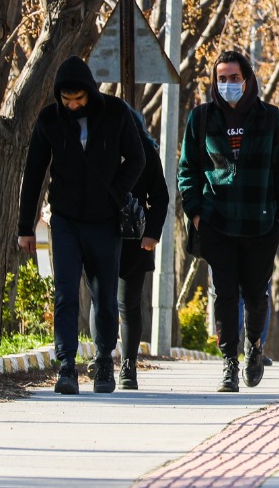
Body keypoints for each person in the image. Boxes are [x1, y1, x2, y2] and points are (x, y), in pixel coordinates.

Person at [17, 57, 145, 395]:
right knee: (66, 293)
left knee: (104, 295)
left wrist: (116, 194)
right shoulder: (49, 120)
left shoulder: (116, 113)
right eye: (66, 100)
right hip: (66, 220)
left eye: (79, 99)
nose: (73, 105)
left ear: (89, 92)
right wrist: (25, 227)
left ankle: (104, 360)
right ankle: (66, 366)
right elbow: (33, 174)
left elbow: (137, 158)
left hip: (105, 222)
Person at [177, 49, 279, 392]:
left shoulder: (269, 118)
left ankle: (254, 345)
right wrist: (196, 213)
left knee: (256, 294)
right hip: (217, 223)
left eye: (234, 78)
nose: (228, 84)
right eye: (222, 78)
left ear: (247, 81)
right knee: (224, 294)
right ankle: (228, 362)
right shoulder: (200, 118)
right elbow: (188, 170)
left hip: (260, 224)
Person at [117, 102, 170, 390]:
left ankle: (128, 365)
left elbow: (160, 197)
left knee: (128, 303)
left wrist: (151, 234)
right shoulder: (102, 148)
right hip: (100, 235)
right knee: (101, 301)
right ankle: (102, 358)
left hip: (135, 240)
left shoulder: (146, 151)